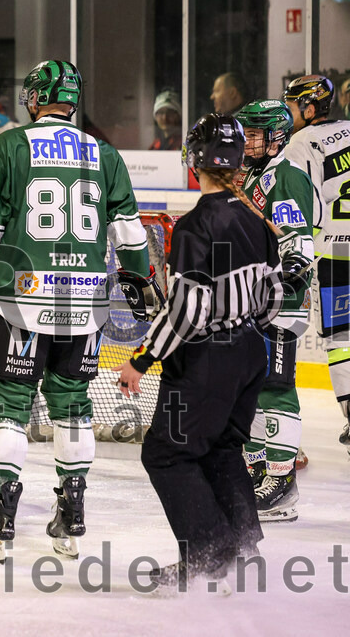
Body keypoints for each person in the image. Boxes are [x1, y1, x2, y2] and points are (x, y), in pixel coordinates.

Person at [0, 60, 152, 562]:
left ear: (33, 98)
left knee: (10, 404)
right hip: (86, 306)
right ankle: (72, 516)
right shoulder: (104, 153)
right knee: (73, 401)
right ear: (74, 101)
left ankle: (1, 522)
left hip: (22, 305)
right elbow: (131, 235)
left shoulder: (11, 146)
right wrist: (139, 278)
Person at [115, 113, 283, 592]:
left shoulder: (194, 227)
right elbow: (273, 297)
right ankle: (244, 550)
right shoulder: (258, 220)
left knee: (166, 454)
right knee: (224, 448)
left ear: (196, 159)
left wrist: (142, 359)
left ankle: (211, 555)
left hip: (207, 357)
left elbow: (188, 311)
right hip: (251, 349)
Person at [233, 100, 314, 522]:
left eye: (253, 134)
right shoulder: (255, 174)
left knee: (276, 386)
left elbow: (297, 240)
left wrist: (287, 279)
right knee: (252, 386)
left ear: (276, 137)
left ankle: (281, 482)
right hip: (254, 296)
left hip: (279, 299)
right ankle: (259, 469)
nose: (246, 141)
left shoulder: (285, 175)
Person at [282, 74, 350, 454]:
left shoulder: (301, 143)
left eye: (292, 106)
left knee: (341, 341)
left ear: (309, 108)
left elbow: (309, 211)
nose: (288, 113)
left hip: (337, 255)